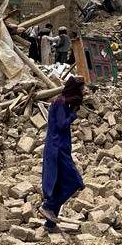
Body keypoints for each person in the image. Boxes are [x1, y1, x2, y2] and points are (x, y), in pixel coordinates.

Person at [38, 78, 85, 231]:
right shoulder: (60, 103)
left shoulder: (63, 102)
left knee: (59, 184)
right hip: (57, 150)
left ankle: (50, 224)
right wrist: (73, 114)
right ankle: (48, 206)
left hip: (60, 149)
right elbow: (61, 125)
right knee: (75, 181)